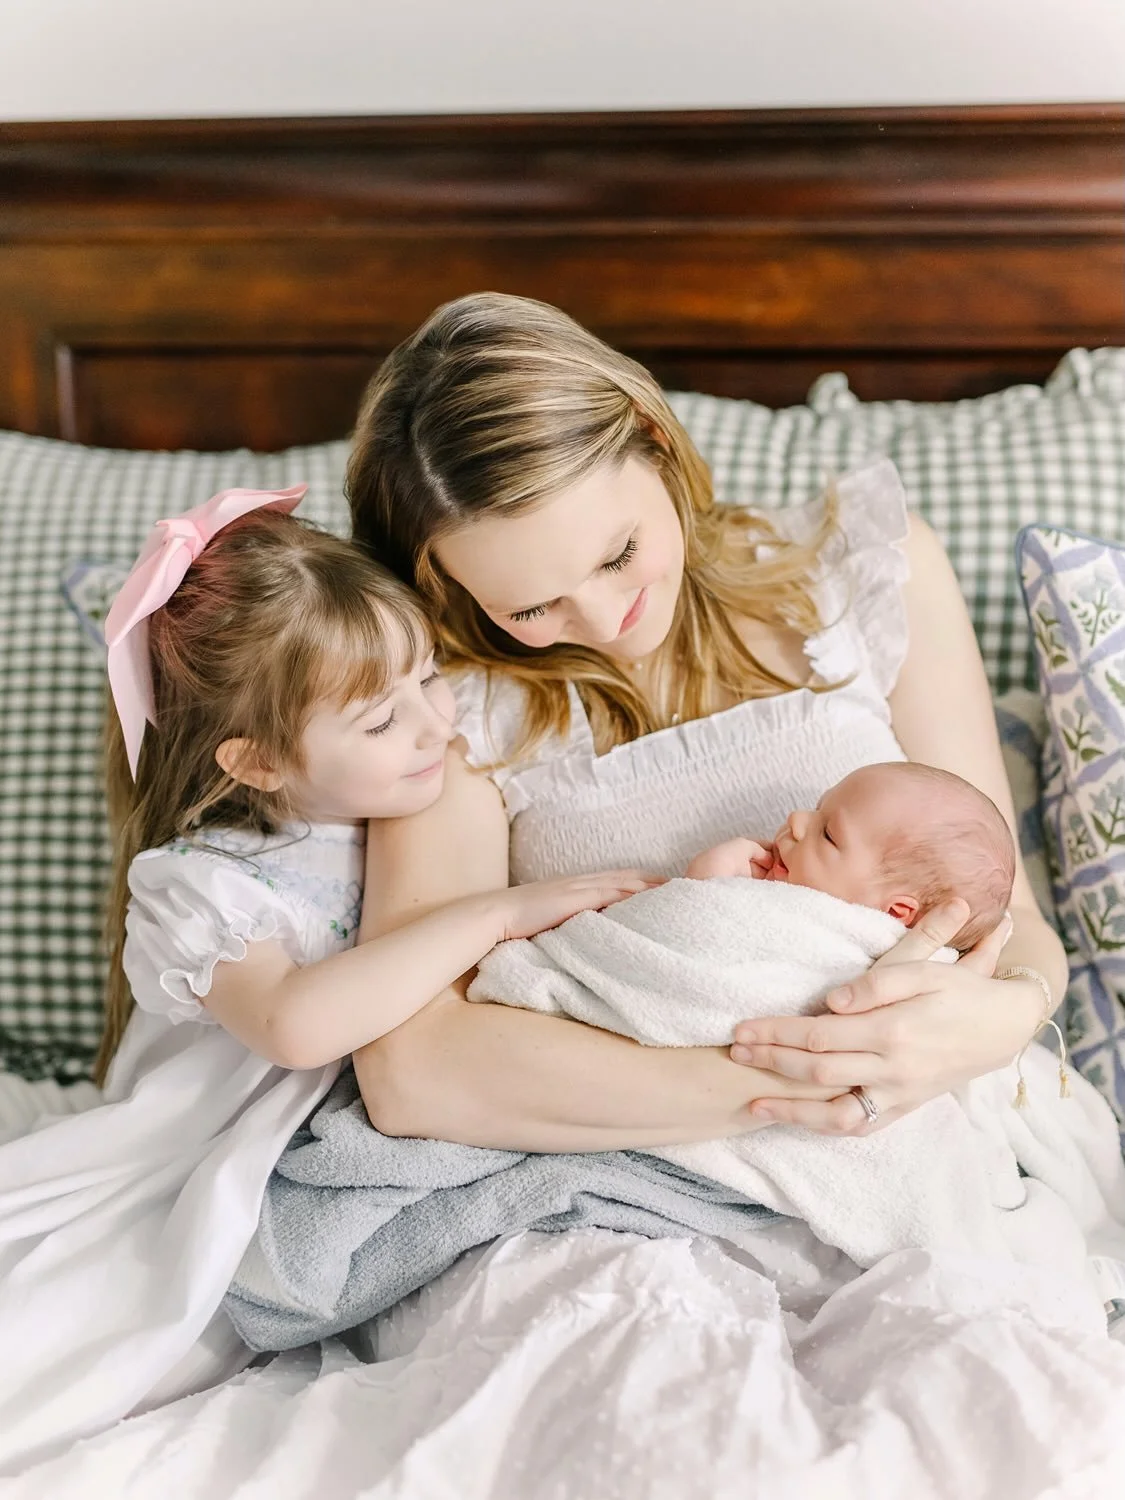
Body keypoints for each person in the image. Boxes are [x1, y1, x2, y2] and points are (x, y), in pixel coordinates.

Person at [0, 484, 650, 1471]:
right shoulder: (203, 883)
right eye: (381, 721)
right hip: (192, 1170)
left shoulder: (412, 795)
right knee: (84, 1340)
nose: (435, 725)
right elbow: (297, 1029)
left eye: (429, 676)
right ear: (256, 761)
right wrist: (498, 911)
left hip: (330, 1168)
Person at [344, 290, 1065, 1149]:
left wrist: (1007, 1012)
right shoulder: (444, 709)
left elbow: (1008, 919)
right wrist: (801, 1080)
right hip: (621, 1162)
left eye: (617, 555)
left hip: (918, 1116)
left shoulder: (866, 570)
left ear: (654, 437)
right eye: (529, 607)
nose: (607, 617)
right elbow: (409, 1069)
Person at [685, 761, 1015, 955]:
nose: (796, 820)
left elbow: (708, 940)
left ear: (895, 912)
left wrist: (710, 882)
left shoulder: (854, 960)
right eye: (817, 808)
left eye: (828, 834)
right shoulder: (780, 904)